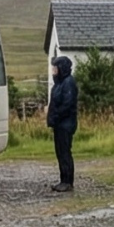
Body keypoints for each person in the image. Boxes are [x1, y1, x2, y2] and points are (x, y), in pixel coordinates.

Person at [46, 55, 78, 192]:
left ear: (61, 68)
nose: (53, 70)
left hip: (65, 124)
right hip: (59, 124)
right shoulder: (59, 83)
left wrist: (56, 116)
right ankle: (63, 180)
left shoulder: (68, 83)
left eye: (55, 67)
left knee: (64, 152)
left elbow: (67, 104)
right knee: (60, 152)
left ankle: (67, 181)